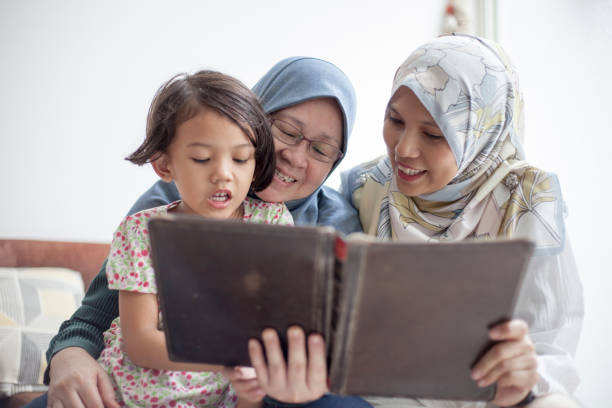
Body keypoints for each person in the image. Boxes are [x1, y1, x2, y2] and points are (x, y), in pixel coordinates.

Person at [248, 34, 583, 407]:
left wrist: (525, 375)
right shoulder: (366, 186)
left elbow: (555, 352)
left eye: (434, 134)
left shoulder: (527, 200)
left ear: (477, 135)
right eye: (395, 120)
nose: (403, 150)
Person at [33, 57, 368, 408]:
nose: (295, 157)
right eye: (286, 130)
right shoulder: (162, 209)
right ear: (254, 118)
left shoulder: (331, 225)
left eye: (320, 149)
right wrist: (68, 355)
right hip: (142, 384)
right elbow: (100, 316)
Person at [102, 70, 295, 407]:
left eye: (240, 158)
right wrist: (230, 358)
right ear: (164, 165)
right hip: (127, 395)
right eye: (202, 159)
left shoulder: (271, 225)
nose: (223, 173)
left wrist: (250, 384)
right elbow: (141, 342)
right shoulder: (141, 233)